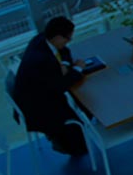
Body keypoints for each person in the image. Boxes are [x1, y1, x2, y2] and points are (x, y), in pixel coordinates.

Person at [10, 16, 89, 156]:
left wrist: (64, 64)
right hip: (37, 106)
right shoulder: (42, 60)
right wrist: (78, 70)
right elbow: (60, 86)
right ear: (58, 37)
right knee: (80, 109)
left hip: (34, 91)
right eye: (67, 38)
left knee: (81, 102)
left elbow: (65, 51)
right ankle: (67, 144)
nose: (68, 41)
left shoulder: (40, 40)